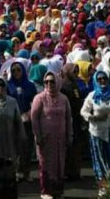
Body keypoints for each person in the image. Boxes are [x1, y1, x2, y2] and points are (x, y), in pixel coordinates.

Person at [81, 71, 110, 197]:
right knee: (101, 161)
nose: (102, 81)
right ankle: (104, 187)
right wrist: (92, 117)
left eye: (104, 78)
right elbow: (83, 111)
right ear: (96, 80)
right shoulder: (92, 95)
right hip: (99, 133)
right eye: (100, 79)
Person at [30, 71, 72, 199]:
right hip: (45, 138)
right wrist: (38, 135)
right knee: (46, 164)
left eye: (52, 81)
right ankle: (46, 191)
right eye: (46, 82)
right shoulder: (40, 98)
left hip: (60, 138)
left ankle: (57, 191)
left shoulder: (63, 98)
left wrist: (70, 135)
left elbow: (68, 118)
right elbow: (34, 118)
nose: (49, 84)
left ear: (57, 82)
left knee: (59, 164)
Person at [5, 60, 36, 183]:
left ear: (23, 70)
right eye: (13, 70)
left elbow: (35, 102)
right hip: (13, 121)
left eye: (18, 70)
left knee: (26, 147)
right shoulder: (8, 85)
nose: (16, 72)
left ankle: (26, 172)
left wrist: (29, 113)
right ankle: (16, 172)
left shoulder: (30, 85)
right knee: (14, 147)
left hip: (26, 120)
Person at [60, 62, 89, 181]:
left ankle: (75, 172)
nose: (76, 73)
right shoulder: (63, 86)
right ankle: (67, 172)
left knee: (77, 147)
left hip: (77, 119)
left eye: (77, 71)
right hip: (68, 119)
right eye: (74, 71)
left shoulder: (74, 84)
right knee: (68, 147)